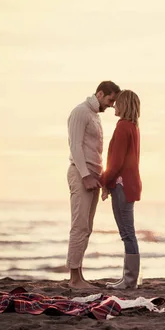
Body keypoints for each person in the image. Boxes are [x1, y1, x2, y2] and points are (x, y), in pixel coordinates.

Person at [66, 81, 120, 288]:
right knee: (79, 226)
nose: (112, 105)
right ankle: (74, 278)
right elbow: (75, 146)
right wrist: (86, 175)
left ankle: (79, 274)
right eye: (110, 100)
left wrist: (100, 177)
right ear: (99, 94)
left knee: (86, 227)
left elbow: (95, 150)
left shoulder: (94, 115)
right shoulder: (80, 112)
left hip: (93, 176)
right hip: (81, 175)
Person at [100, 90, 142, 289]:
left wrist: (104, 181)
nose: (113, 107)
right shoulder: (132, 126)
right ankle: (127, 279)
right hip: (128, 185)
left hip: (122, 186)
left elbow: (116, 162)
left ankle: (130, 281)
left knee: (127, 233)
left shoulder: (123, 127)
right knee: (128, 233)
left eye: (117, 104)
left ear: (123, 105)